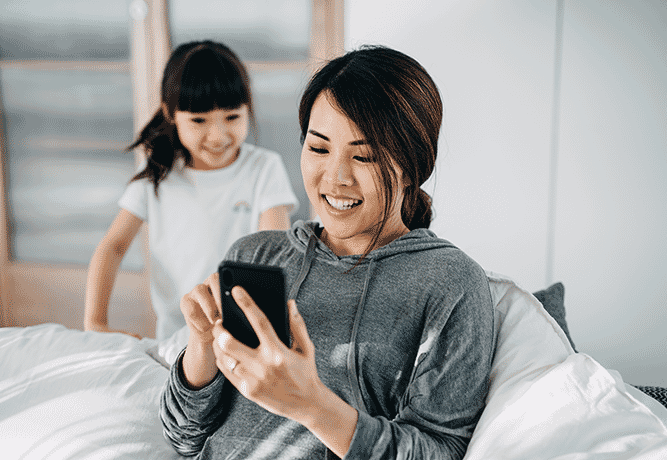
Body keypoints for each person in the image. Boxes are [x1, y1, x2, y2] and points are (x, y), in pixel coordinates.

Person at [159, 45, 494, 459]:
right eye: (319, 148)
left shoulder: (451, 283)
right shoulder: (256, 255)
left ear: (410, 165)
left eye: (364, 156)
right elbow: (182, 437)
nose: (335, 178)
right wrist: (201, 346)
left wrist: (312, 406)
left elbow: (440, 451)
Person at [84, 41, 299, 340]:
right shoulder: (156, 177)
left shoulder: (264, 168)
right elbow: (113, 246)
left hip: (247, 335)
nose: (218, 135)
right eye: (199, 120)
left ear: (247, 109)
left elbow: (274, 253)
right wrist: (95, 322)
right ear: (170, 114)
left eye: (232, 117)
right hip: (177, 338)